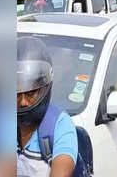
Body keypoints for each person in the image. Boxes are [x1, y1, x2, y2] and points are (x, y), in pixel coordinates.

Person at [17, 36, 77, 177]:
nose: (23, 102)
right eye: (17, 94)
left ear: (44, 88)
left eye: (31, 93)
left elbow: (62, 170)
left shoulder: (60, 125)